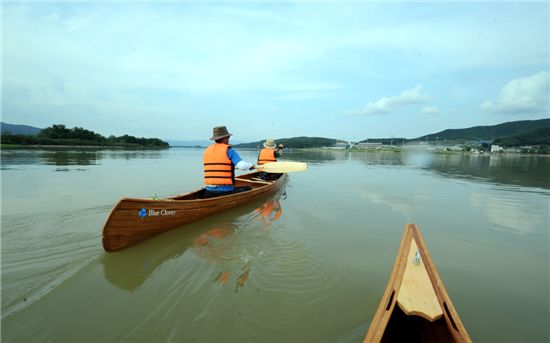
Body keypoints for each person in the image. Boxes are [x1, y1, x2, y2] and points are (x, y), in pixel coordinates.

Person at [203, 126, 255, 198]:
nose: (228, 139)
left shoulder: (207, 151)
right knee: (248, 188)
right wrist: (251, 165)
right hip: (224, 191)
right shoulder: (229, 151)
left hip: (208, 191)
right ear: (224, 138)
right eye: (228, 137)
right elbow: (242, 166)